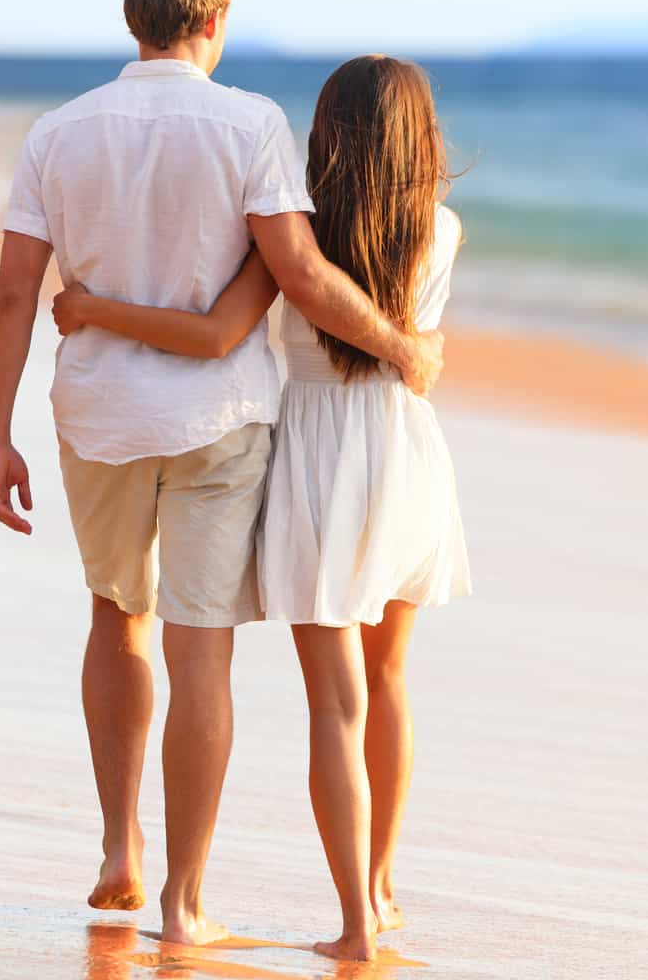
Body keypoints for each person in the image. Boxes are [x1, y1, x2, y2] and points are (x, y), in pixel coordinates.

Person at [0, 0, 444, 947]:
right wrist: (403, 349)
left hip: (98, 416)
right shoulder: (249, 124)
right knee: (203, 655)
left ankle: (118, 845)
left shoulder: (59, 132)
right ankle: (184, 901)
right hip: (219, 421)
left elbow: (15, 287)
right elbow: (303, 275)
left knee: (113, 613)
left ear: (132, 16)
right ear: (216, 21)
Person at [51, 54, 470, 962]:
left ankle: (355, 921)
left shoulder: (293, 238)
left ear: (328, 132)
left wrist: (89, 307)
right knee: (389, 678)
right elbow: (422, 342)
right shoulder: (442, 228)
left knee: (336, 703)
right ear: (421, 138)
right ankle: (384, 885)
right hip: (406, 455)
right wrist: (410, 350)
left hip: (321, 460)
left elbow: (214, 335)